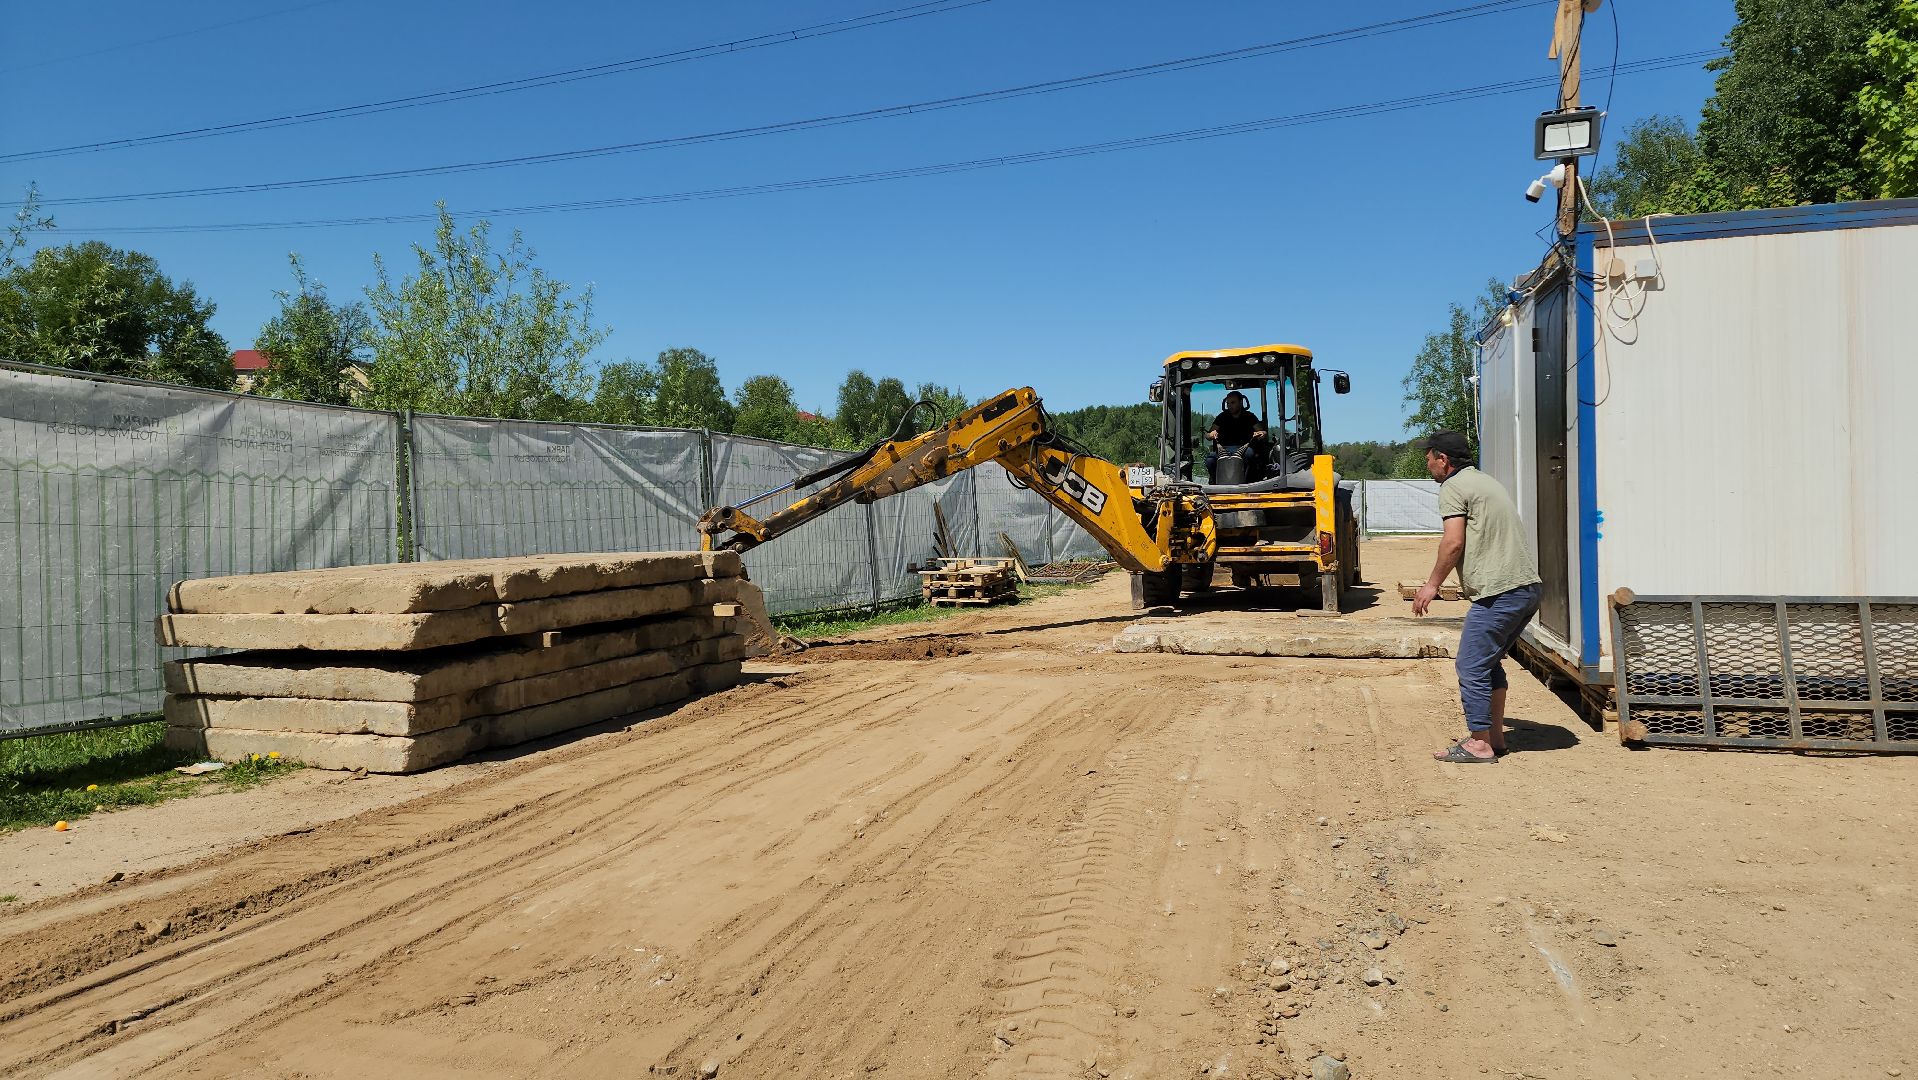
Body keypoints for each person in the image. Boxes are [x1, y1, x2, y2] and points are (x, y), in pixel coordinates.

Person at [1411, 431, 1542, 763]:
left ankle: (1479, 744)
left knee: (1469, 665)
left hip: (1499, 593)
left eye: (1429, 458)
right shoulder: (1483, 481)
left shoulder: (1453, 487)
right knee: (1487, 662)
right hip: (1526, 589)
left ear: (1444, 460)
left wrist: (1431, 585)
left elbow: (1453, 542)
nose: (1427, 464)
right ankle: (1495, 738)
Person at [1204, 391, 1266, 480]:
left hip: (1244, 449)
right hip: (1223, 450)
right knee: (1210, 460)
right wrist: (1211, 434)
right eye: (1228, 403)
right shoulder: (1222, 417)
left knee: (1249, 455)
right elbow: (1209, 435)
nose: (1229, 406)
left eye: (1233, 403)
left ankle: (1246, 483)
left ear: (1241, 402)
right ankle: (1216, 483)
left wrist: (1261, 433)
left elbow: (1261, 431)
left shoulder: (1249, 416)